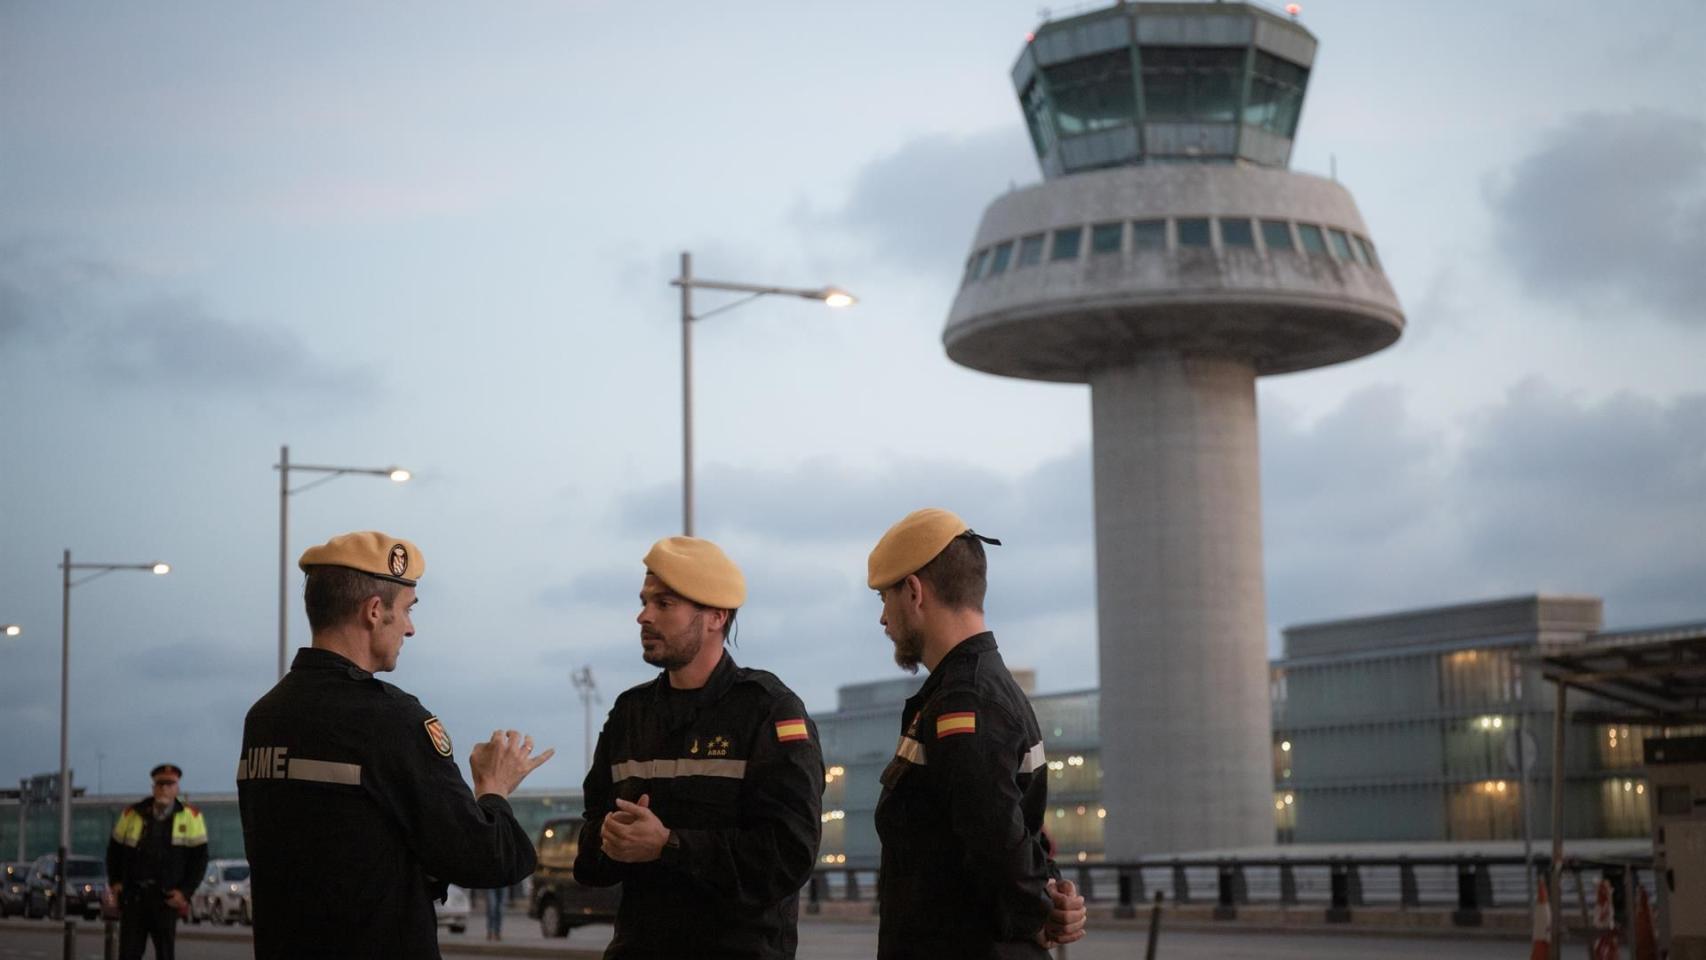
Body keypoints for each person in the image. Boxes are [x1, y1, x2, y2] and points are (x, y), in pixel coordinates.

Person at [237, 530, 553, 960]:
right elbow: (491, 860)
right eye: (406, 611)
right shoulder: (391, 721)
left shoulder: (265, 717)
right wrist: (493, 788)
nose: (410, 628)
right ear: (373, 611)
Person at [574, 536, 824, 959]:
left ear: (715, 618)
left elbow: (789, 855)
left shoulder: (768, 711)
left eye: (664, 604)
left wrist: (669, 844)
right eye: (644, 601)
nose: (643, 616)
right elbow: (590, 851)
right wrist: (608, 842)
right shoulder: (629, 714)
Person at [866, 508, 1087, 958]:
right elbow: (1016, 826)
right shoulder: (991, 688)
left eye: (884, 598)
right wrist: (1046, 896)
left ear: (913, 592)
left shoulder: (962, 701)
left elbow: (994, 839)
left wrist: (1037, 912)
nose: (883, 620)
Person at [106, 763, 208, 960]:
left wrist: (185, 893)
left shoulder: (191, 817)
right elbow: (114, 852)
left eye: (170, 784)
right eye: (160, 784)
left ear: (177, 788)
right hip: (134, 897)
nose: (164, 788)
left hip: (166, 899)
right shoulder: (132, 814)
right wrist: (116, 883)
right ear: (153, 787)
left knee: (165, 954)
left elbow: (199, 861)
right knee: (128, 954)